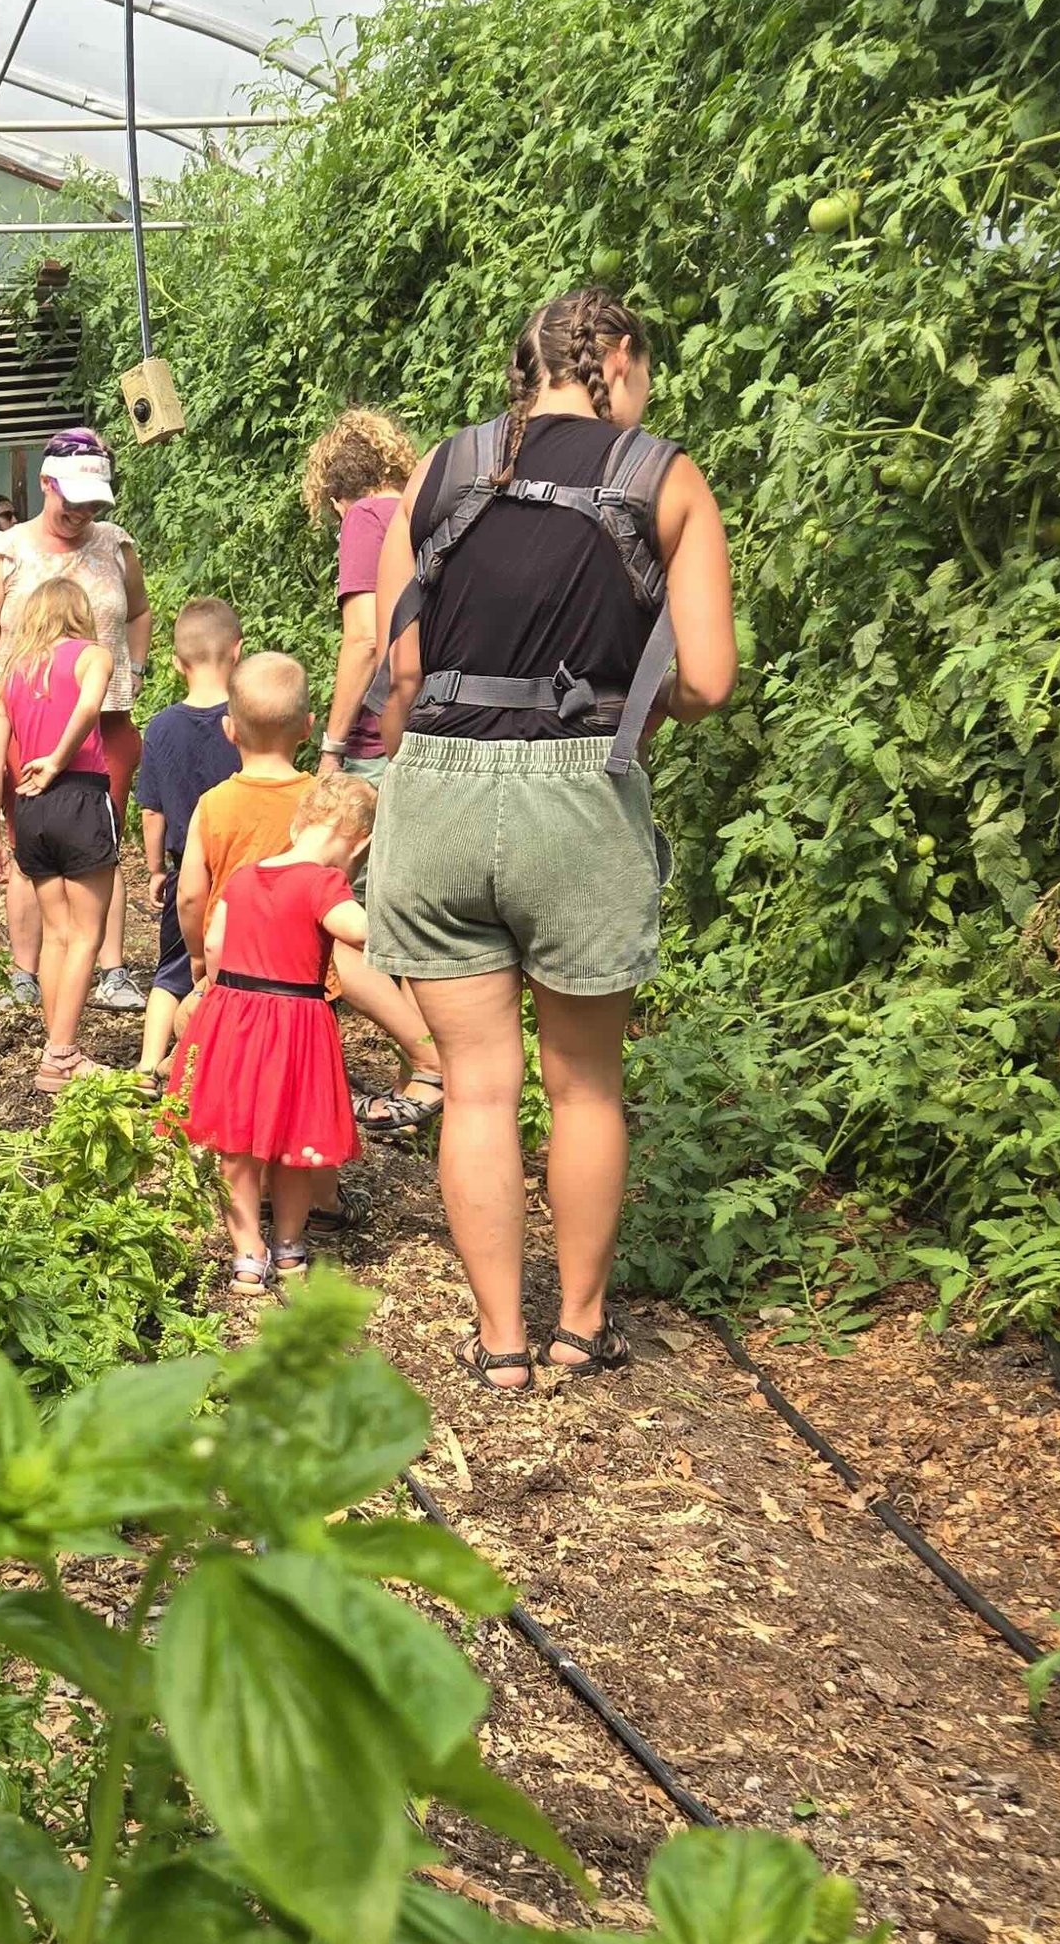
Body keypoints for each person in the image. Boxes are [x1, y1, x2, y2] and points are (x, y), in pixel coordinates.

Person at [370, 287, 737, 1394]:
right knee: (582, 1086)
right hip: (576, 797)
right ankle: (578, 1329)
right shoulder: (662, 476)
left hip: (431, 795)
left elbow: (400, 669)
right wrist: (630, 701)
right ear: (616, 358)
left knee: (477, 1086)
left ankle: (498, 1346)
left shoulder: (440, 470)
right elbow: (709, 681)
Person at [0, 429, 152, 1014]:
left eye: (93, 501)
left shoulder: (116, 545)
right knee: (28, 842)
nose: (81, 512)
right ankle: (27, 970)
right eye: (71, 497)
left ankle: (111, 968)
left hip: (107, 723)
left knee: (104, 839)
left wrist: (135, 671)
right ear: (47, 483)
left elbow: (140, 613)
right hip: (28, 723)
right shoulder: (4, 553)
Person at [303, 408, 446, 1137]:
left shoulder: (367, 518)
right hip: (439, 736)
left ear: (334, 488)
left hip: (377, 741)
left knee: (343, 930)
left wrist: (330, 746)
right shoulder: (434, 509)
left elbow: (364, 640)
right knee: (412, 912)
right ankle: (445, 1060)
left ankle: (431, 1066)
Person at [187, 777, 375, 1293]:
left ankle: (248, 1253)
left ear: (297, 824)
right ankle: (290, 1247)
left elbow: (215, 941)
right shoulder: (323, 884)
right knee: (295, 1144)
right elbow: (357, 930)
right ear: (359, 841)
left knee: (235, 1145)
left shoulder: (244, 879)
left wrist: (226, 997)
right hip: (296, 1021)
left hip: (235, 1016)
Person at [0, 574, 121, 1095]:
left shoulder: (12, 675)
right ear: (78, 614)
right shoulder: (92, 656)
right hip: (77, 795)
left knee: (57, 935)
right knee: (87, 934)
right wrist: (60, 761)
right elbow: (88, 709)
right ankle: (60, 1056)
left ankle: (58, 1047)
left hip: (30, 808)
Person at [132, 598, 243, 1092]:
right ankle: (214, 1067)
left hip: (185, 873)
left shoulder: (160, 728)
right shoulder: (248, 723)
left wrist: (156, 868)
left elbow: (151, 810)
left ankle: (147, 1066)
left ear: (177, 663)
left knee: (171, 972)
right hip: (244, 875)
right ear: (238, 653)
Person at [170, 648, 317, 982]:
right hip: (305, 975)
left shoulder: (212, 805)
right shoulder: (319, 802)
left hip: (232, 971)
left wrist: (197, 955)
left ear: (229, 729)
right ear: (308, 727)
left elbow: (191, 896)